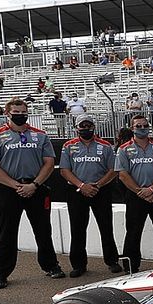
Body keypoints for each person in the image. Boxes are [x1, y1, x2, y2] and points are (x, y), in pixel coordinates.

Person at [0, 99, 65, 289]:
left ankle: (51, 265)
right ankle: (1, 273)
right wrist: (15, 185)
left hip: (36, 188)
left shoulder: (40, 135)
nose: (20, 114)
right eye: (16, 111)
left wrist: (34, 184)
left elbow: (49, 163)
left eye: (23, 111)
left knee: (43, 230)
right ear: (8, 114)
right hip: (9, 189)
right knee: (7, 233)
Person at [59, 115, 123, 277]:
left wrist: (98, 185)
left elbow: (113, 169)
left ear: (94, 127)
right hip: (77, 191)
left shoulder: (106, 146)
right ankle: (78, 265)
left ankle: (112, 261)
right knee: (77, 229)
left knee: (106, 227)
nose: (86, 128)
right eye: (83, 125)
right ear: (76, 128)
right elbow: (64, 171)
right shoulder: (68, 146)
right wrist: (82, 186)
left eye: (89, 125)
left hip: (100, 190)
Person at [115, 114, 153, 273]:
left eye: (145, 126)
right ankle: (130, 265)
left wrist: (151, 189)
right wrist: (140, 192)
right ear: (132, 128)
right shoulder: (124, 149)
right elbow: (122, 175)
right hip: (135, 196)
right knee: (133, 231)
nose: (142, 128)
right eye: (138, 126)